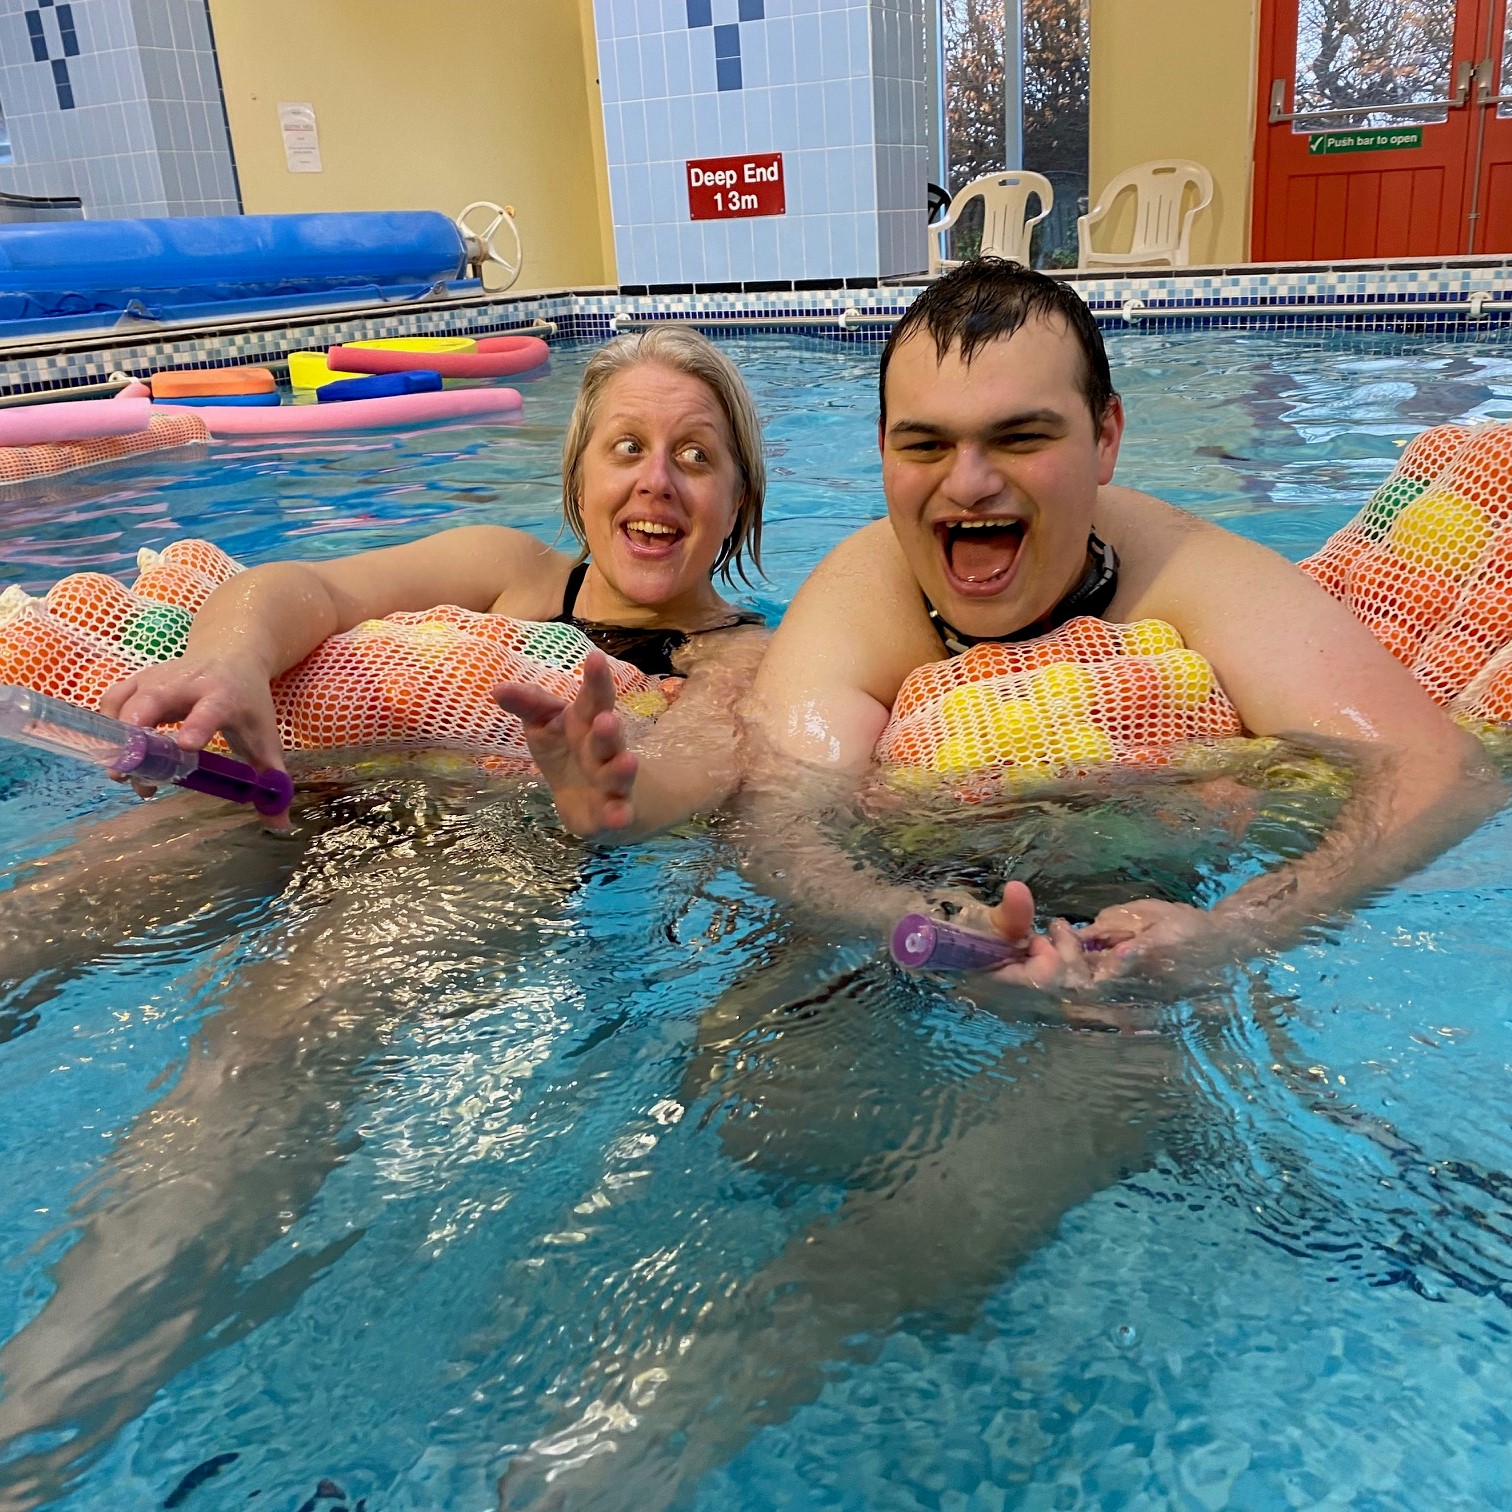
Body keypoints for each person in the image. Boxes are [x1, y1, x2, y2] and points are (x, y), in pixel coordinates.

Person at [508, 259, 1499, 995]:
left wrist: (1239, 930)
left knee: (1114, 1072)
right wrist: (913, 923)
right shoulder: (863, 597)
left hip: (1162, 903)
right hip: (924, 910)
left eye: (1020, 437)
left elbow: (1434, 770)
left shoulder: (1193, 574)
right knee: (760, 1086)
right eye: (926, 444)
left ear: (1105, 437)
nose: (969, 483)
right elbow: (781, 824)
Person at [99, 324, 771, 831]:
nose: (656, 482)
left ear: (738, 497)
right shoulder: (507, 571)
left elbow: (692, 773)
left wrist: (612, 795)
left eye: (695, 455)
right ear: (580, 476)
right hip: (308, 789)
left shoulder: (741, 658)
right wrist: (229, 660)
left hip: (492, 849)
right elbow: (311, 588)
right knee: (55, 906)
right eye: (627, 447)